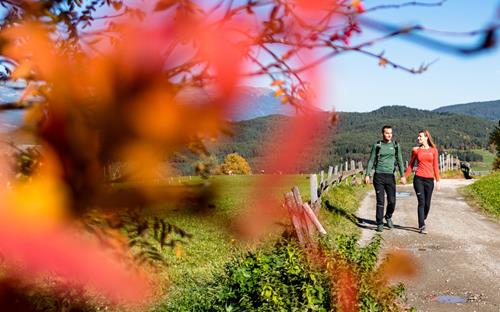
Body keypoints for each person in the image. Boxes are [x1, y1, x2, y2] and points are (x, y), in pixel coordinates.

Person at [365, 125, 406, 232]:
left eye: (391, 133)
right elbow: (371, 160)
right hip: (379, 176)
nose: (389, 135)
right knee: (380, 201)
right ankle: (379, 223)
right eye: (387, 133)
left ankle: (388, 216)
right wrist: (367, 174)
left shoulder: (396, 145)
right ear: (383, 133)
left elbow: (400, 161)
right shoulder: (377, 145)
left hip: (390, 176)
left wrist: (402, 175)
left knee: (392, 201)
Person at [404, 129, 441, 234]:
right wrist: (405, 177)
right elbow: (411, 165)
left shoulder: (434, 150)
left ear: (426, 137)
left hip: (429, 180)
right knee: (421, 202)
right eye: (418, 136)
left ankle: (422, 217)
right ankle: (422, 225)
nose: (418, 138)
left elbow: (435, 166)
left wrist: (438, 180)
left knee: (427, 204)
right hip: (418, 179)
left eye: (420, 136)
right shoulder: (416, 150)